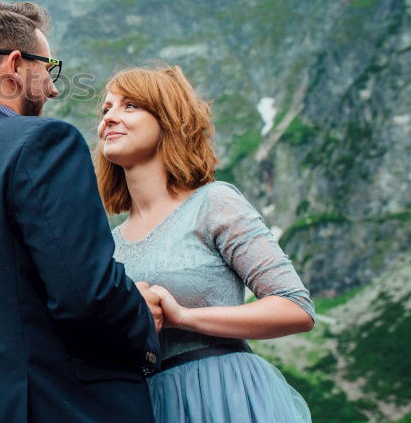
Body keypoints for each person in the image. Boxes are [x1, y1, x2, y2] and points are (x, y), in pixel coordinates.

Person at [0, 0, 162, 422]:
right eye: (48, 67)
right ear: (16, 66)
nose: (54, 87)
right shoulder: (43, 143)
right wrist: (141, 313)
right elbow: (87, 295)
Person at [95, 65, 316, 423]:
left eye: (130, 106)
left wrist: (184, 317)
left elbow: (296, 308)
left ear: (166, 120)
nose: (109, 118)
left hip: (223, 395)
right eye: (106, 110)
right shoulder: (107, 245)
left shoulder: (213, 203)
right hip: (146, 404)